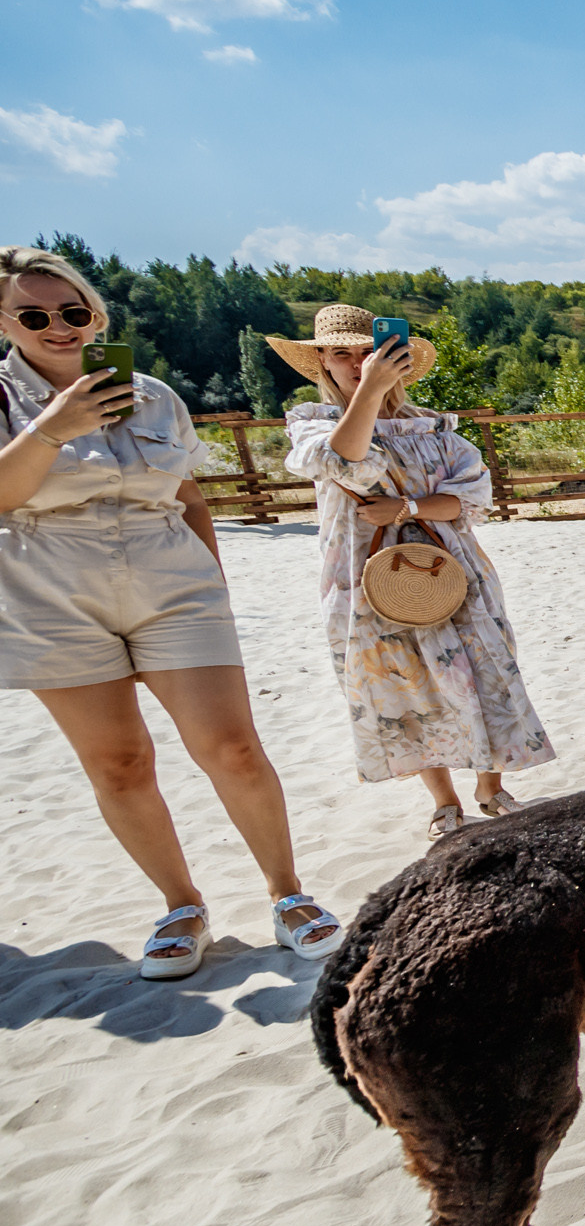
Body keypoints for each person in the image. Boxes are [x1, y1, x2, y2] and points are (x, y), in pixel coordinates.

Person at [0, 244, 344, 976]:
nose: (58, 326)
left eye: (74, 310)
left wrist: (213, 581)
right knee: (120, 763)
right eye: (34, 314)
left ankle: (287, 892)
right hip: (50, 592)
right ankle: (180, 902)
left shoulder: (153, 394)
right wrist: (54, 426)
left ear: (95, 313)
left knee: (233, 747)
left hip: (171, 583)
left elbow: (187, 492)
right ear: (6, 320)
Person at [278, 306, 555, 840]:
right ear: (322, 362)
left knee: (482, 669)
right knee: (404, 685)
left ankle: (490, 786)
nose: (360, 363)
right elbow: (348, 460)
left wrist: (408, 508)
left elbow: (473, 496)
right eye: (344, 354)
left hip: (454, 569)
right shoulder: (313, 426)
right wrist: (370, 393)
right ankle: (443, 798)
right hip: (366, 579)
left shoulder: (436, 428)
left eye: (372, 352)